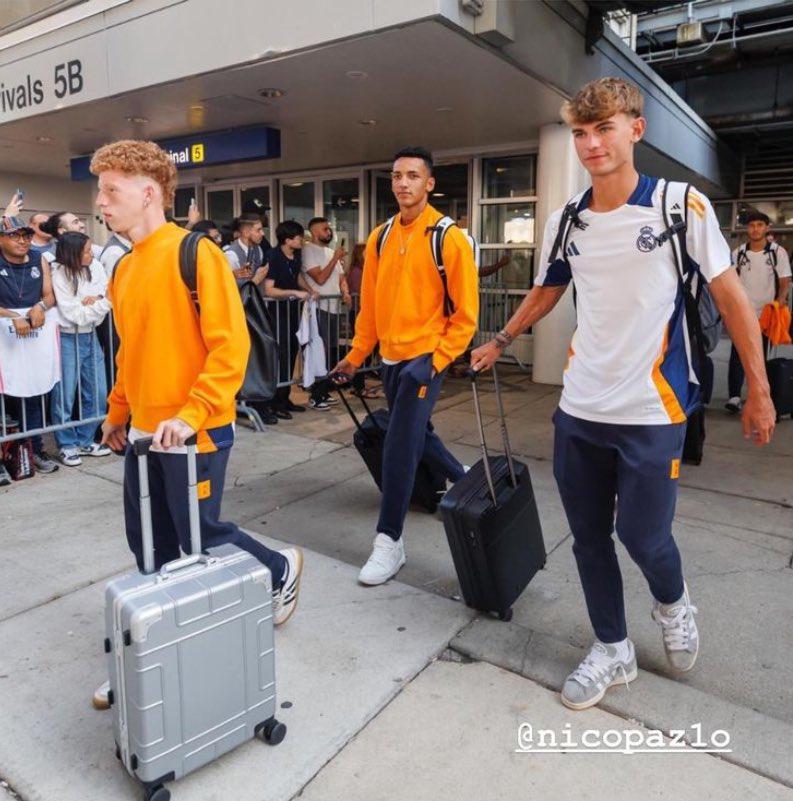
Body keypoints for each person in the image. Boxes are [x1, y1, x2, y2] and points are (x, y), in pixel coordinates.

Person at [471, 77, 776, 711]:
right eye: (581, 133)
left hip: (653, 409)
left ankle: (673, 602)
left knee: (643, 536)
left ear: (635, 129)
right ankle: (612, 647)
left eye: (604, 128)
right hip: (580, 409)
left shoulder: (678, 206)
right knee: (587, 538)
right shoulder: (568, 218)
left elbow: (731, 299)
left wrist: (760, 390)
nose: (591, 144)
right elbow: (548, 287)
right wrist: (501, 338)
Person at [89, 139, 303, 708]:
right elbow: (130, 352)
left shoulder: (196, 253)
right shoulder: (124, 269)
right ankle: (152, 665)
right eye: (100, 192)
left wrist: (190, 414)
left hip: (196, 430)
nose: (101, 203)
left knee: (199, 535)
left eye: (110, 191)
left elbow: (229, 348)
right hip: (144, 434)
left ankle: (278, 570)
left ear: (148, 193)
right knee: (149, 546)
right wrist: (116, 414)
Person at [333, 146, 478, 585]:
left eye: (413, 175)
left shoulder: (448, 237)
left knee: (400, 443)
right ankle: (461, 475)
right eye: (397, 175)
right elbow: (370, 308)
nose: (403, 183)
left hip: (425, 359)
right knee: (415, 430)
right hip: (390, 359)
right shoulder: (379, 237)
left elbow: (466, 316)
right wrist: (355, 356)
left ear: (429, 183)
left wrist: (435, 361)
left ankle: (389, 539)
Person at [0, 215, 59, 474]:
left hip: (32, 341)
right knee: (4, 399)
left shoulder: (39, 259)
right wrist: (13, 315)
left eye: (26, 235)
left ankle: (34, 450)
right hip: (4, 341)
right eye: (14, 235)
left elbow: (49, 295)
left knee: (33, 394)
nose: (22, 240)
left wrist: (40, 306)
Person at [48, 232, 113, 466]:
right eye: (86, 251)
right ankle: (67, 444)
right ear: (72, 253)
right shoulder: (59, 273)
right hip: (66, 337)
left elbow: (105, 290)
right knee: (64, 395)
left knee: (97, 391)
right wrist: (103, 301)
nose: (91, 254)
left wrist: (98, 299)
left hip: (90, 335)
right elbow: (73, 313)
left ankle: (86, 439)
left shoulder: (95, 266)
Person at [726, 210, 792, 413]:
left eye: (760, 225)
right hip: (742, 313)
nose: (755, 229)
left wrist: (780, 300)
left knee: (759, 356)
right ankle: (734, 397)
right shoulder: (738, 254)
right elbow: (731, 282)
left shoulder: (777, 252)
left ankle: (757, 395)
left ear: (767, 228)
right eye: (752, 225)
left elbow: (784, 281)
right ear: (748, 229)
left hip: (766, 315)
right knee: (737, 353)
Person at [263, 220, 315, 418]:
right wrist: (294, 292)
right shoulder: (273, 256)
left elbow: (297, 276)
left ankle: (285, 397)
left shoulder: (296, 255)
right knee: (281, 355)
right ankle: (275, 401)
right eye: (299, 237)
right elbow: (269, 290)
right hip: (277, 313)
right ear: (287, 240)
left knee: (293, 352)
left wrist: (309, 290)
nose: (302, 241)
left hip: (293, 311)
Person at [301, 217, 350, 410]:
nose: (329, 232)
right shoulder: (308, 250)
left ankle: (324, 390)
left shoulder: (330, 252)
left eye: (329, 229)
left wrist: (345, 292)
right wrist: (335, 258)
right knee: (319, 351)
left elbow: (341, 277)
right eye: (325, 229)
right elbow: (320, 279)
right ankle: (316, 394)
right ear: (314, 232)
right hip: (319, 308)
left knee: (330, 350)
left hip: (334, 307)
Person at [223, 213, 269, 286]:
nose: (263, 233)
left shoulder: (258, 249)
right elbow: (229, 286)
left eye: (262, 229)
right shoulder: (231, 255)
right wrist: (256, 280)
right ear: (246, 233)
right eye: (258, 230)